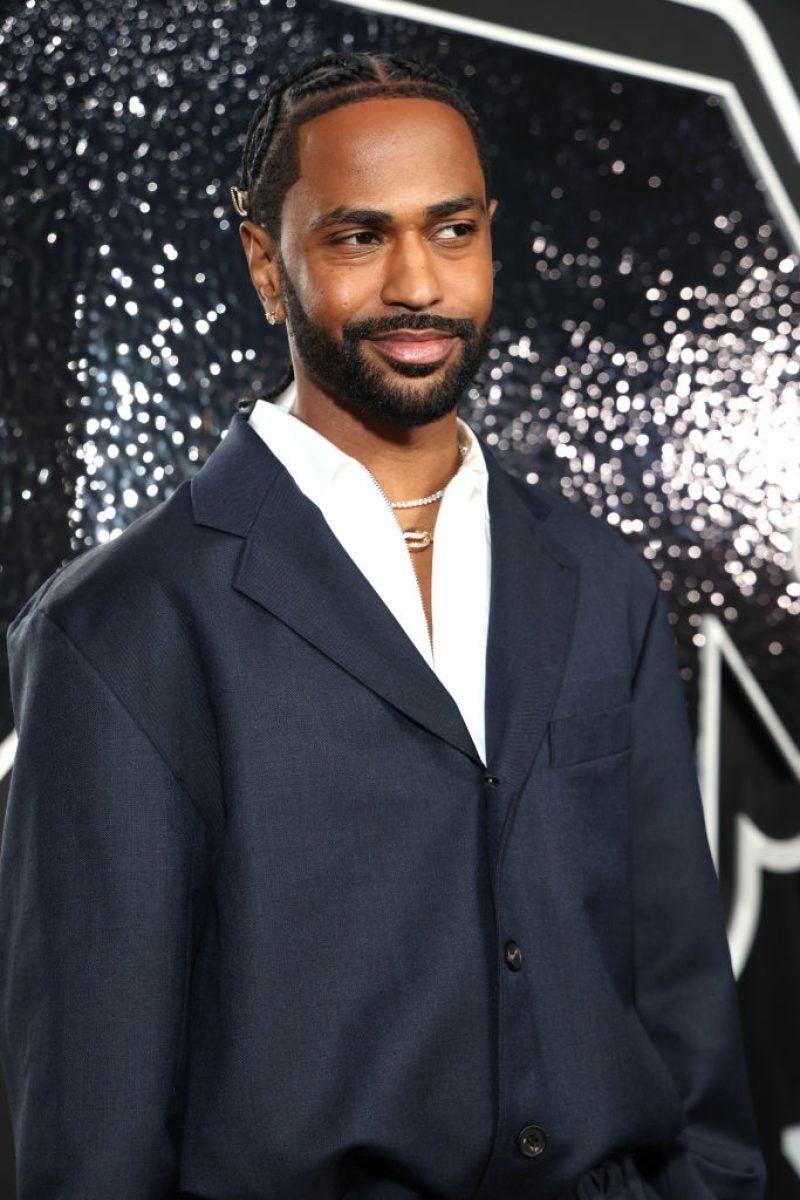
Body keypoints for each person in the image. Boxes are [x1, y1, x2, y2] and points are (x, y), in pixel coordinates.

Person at [0, 51, 764, 1200]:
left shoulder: (597, 579)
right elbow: (92, 1127)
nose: (417, 282)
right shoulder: (117, 630)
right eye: (359, 237)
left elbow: (681, 996)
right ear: (267, 262)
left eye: (451, 230)